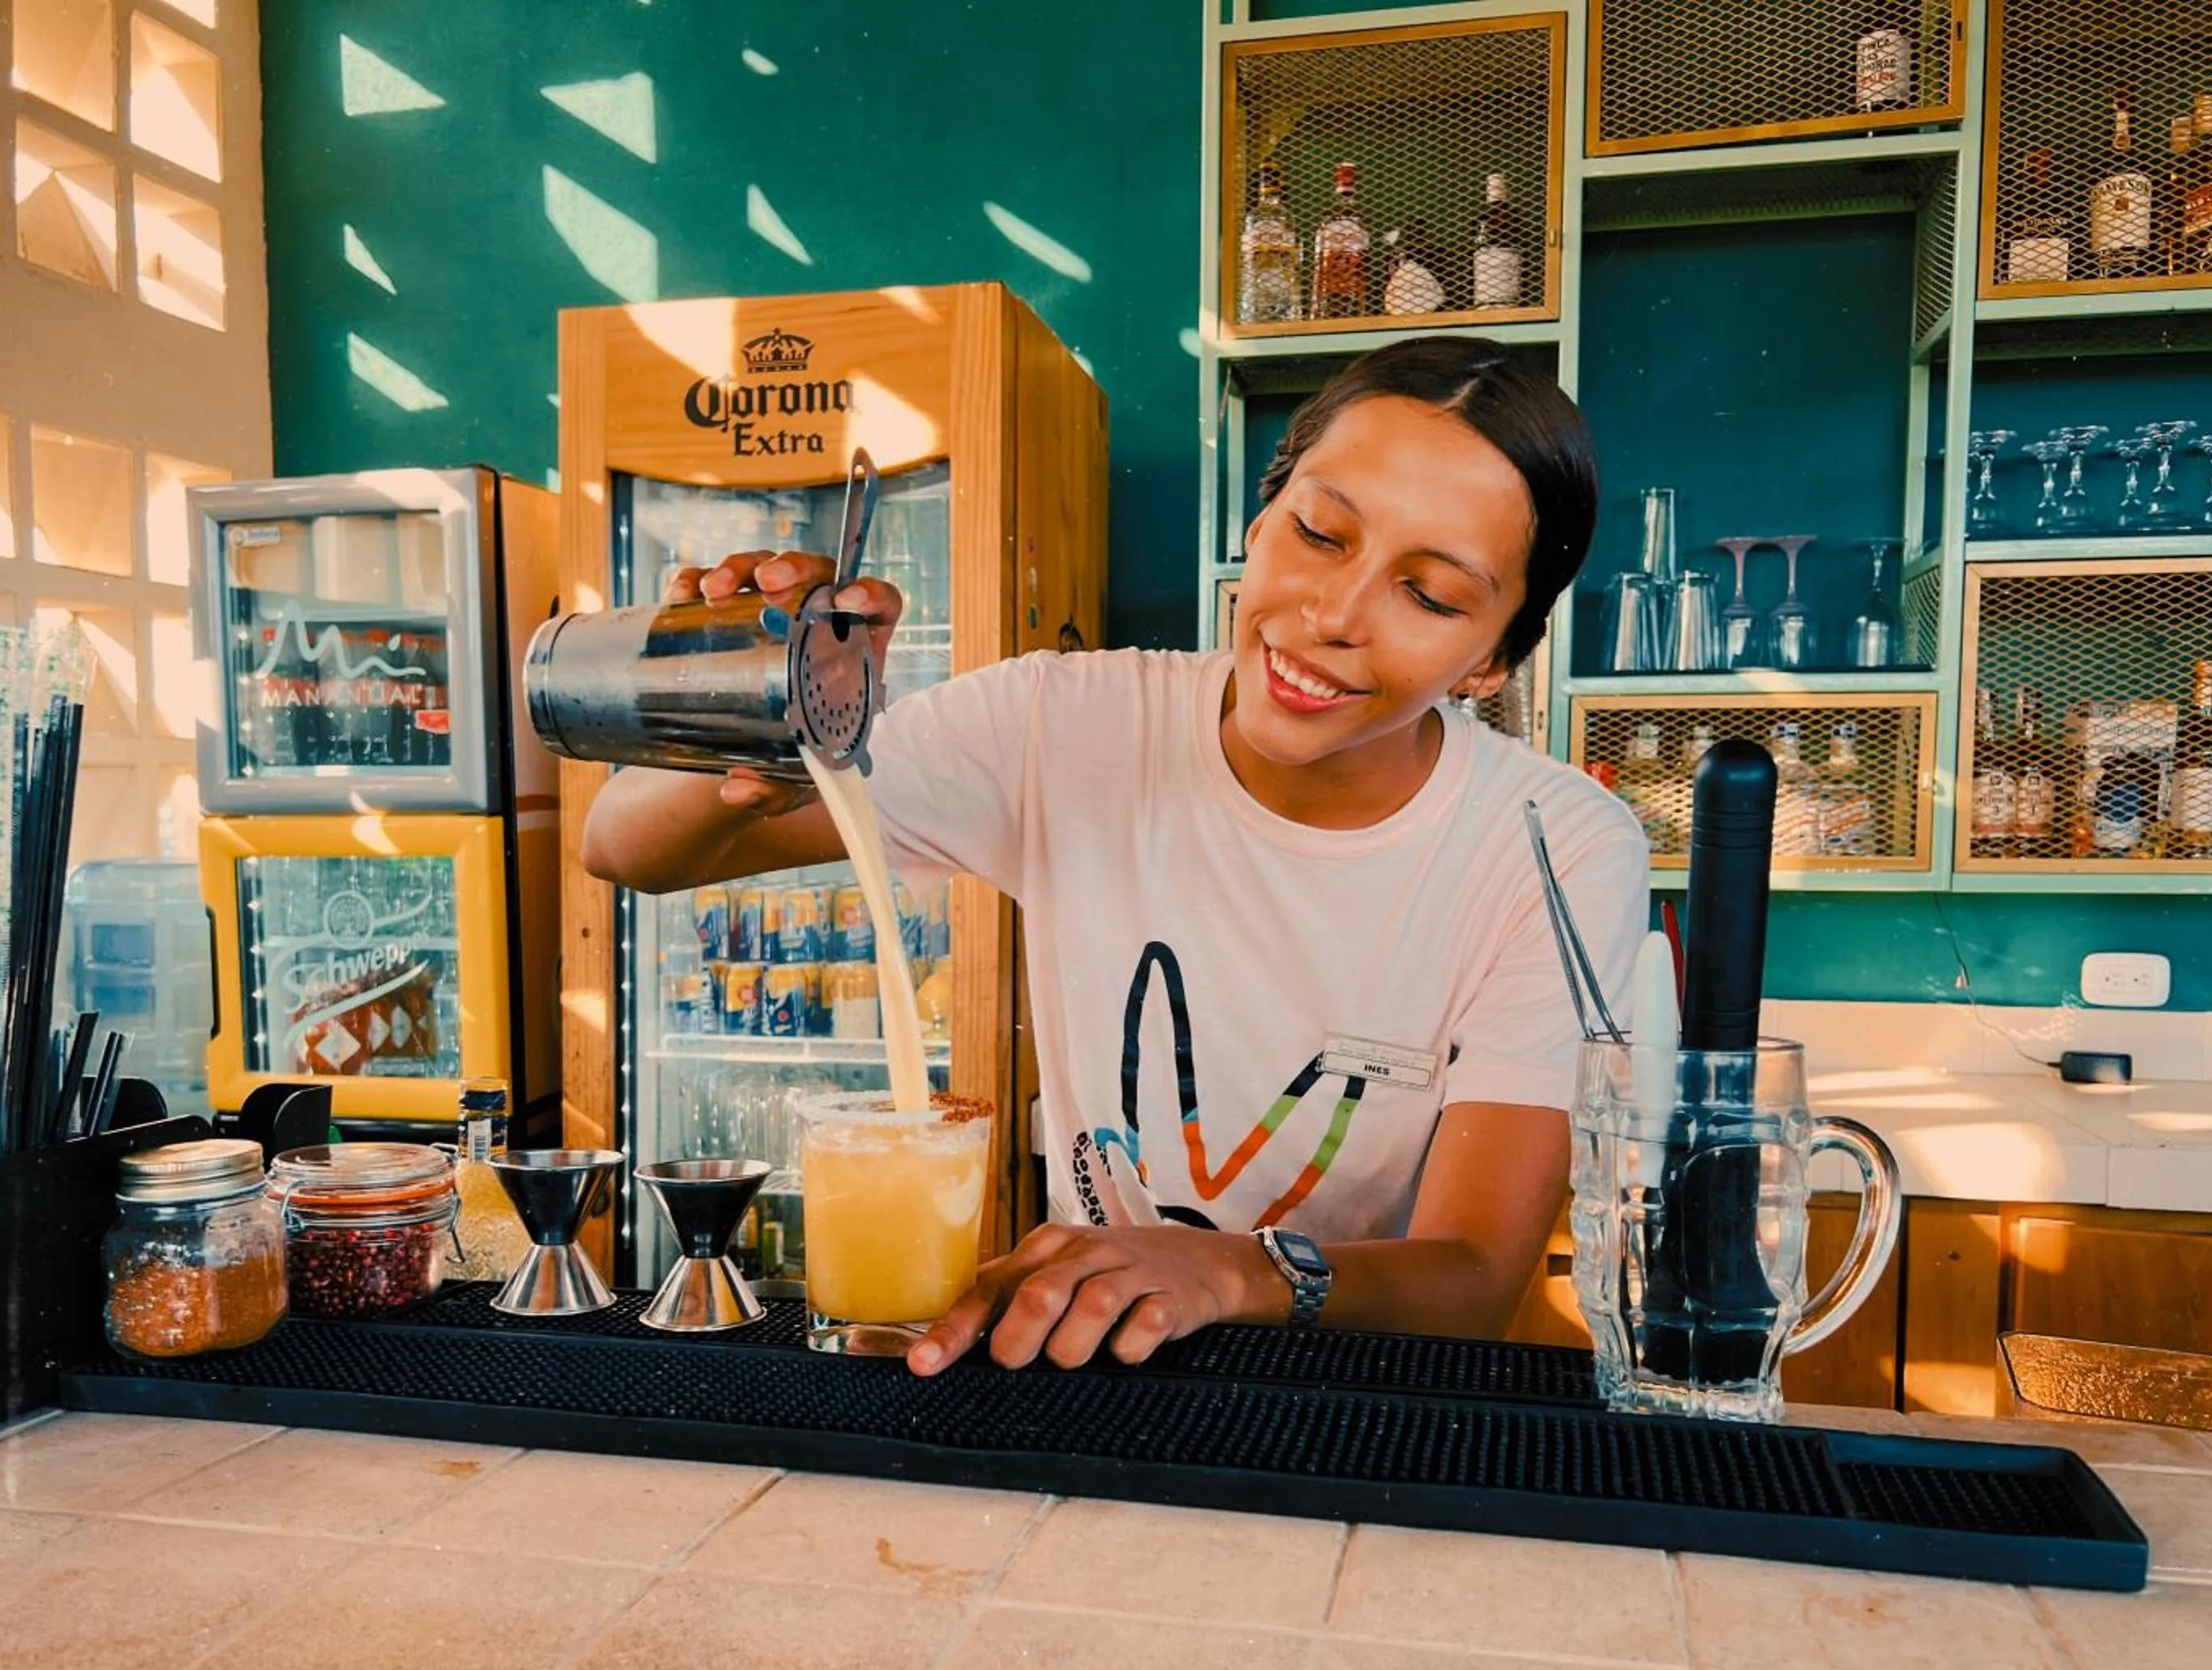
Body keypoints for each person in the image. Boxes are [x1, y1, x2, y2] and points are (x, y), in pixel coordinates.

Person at [582, 335, 1649, 1375]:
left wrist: (1234, 1272)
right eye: (1320, 533)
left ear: (1493, 657)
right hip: (1099, 1378)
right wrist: (759, 694)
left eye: (1429, 595)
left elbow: (1472, 1278)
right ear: (1264, 510)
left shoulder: (1556, 845)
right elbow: (625, 845)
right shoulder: (1067, 723)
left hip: (1371, 1400)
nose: (1334, 614)